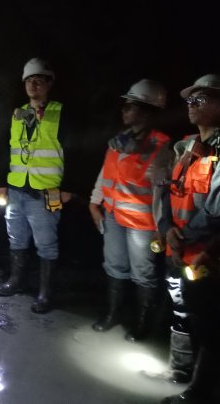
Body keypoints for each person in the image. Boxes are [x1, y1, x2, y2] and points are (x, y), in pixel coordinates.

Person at [88, 79, 171, 341]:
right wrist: (94, 203)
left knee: (143, 274)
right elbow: (106, 174)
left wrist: (162, 228)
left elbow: (162, 193)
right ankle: (113, 314)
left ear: (146, 111)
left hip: (142, 223)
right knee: (114, 266)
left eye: (130, 106)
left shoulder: (161, 146)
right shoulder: (119, 141)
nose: (123, 111)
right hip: (113, 215)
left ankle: (142, 324)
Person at [0, 58, 71, 314]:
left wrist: (68, 188)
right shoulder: (18, 113)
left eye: (39, 80)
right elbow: (8, 149)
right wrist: (2, 183)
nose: (33, 84)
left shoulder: (60, 113)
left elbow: (74, 151)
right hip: (17, 188)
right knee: (16, 238)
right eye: (29, 80)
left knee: (46, 243)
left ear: (49, 84)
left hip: (46, 191)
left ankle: (45, 293)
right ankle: (17, 280)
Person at [160, 75, 220, 404]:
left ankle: (200, 393)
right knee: (186, 310)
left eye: (201, 99)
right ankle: (184, 371)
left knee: (209, 322)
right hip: (181, 248)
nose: (192, 105)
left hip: (205, 254)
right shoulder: (186, 146)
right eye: (190, 100)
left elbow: (216, 212)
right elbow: (170, 192)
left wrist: (182, 240)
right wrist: (167, 227)